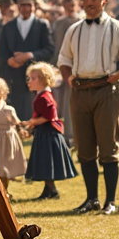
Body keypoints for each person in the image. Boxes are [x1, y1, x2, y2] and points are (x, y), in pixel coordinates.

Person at [56, 0, 119, 215]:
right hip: (80, 90)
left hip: (108, 90)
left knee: (109, 145)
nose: (89, 2)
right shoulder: (74, 29)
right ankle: (91, 198)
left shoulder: (117, 28)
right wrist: (68, 77)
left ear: (104, 1)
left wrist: (112, 78)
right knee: (84, 147)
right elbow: (63, 59)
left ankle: (110, 201)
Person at [0, 0, 54, 121]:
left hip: (36, 76)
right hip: (14, 77)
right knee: (15, 108)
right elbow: (0, 53)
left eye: (29, 5)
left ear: (34, 6)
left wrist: (30, 55)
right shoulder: (9, 26)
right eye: (22, 5)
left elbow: (49, 49)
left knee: (33, 107)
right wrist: (9, 61)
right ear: (17, 6)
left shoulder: (42, 25)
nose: (25, 8)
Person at [23, 63, 75, 199]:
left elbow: (50, 115)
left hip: (47, 134)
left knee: (46, 161)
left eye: (33, 78)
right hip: (44, 133)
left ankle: (52, 191)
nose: (29, 81)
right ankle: (49, 189)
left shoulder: (44, 97)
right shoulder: (42, 95)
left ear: (43, 79)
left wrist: (33, 122)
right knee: (45, 161)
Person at [51, 0, 80, 142]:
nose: (70, 5)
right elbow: (59, 46)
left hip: (80, 65)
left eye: (72, 2)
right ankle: (69, 132)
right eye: (67, 3)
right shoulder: (60, 23)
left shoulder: (81, 20)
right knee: (66, 100)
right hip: (66, 64)